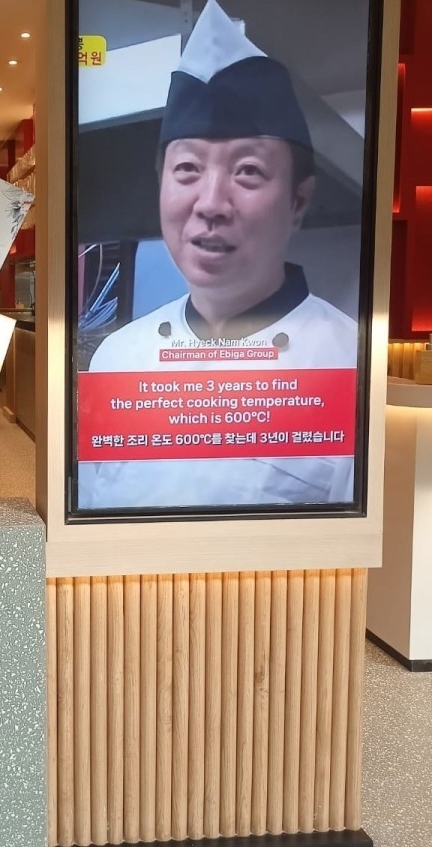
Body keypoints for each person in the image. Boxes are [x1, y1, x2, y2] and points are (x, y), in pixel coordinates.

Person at [78, 0, 359, 511]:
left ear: (297, 201)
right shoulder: (117, 358)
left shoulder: (349, 361)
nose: (210, 203)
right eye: (187, 169)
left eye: (248, 171)